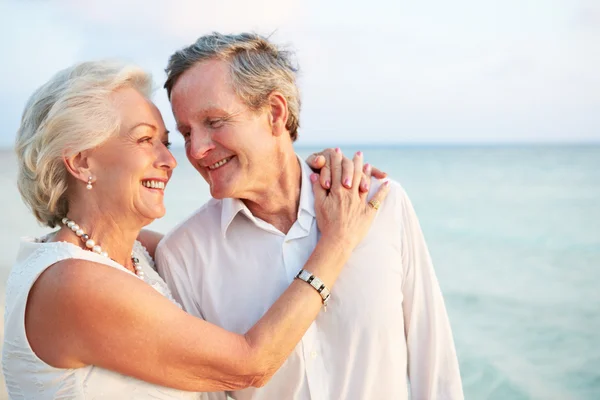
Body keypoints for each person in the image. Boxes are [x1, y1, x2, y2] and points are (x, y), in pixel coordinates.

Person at [2, 60, 389, 398]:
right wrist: (337, 241)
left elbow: (240, 247)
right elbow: (248, 365)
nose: (170, 160)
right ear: (83, 162)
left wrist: (304, 177)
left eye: (168, 142)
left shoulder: (138, 253)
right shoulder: (72, 283)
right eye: (145, 140)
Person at [157, 32, 464, 400]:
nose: (197, 149)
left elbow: (435, 366)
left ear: (274, 113)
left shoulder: (381, 204)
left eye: (215, 121)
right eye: (186, 132)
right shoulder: (183, 256)